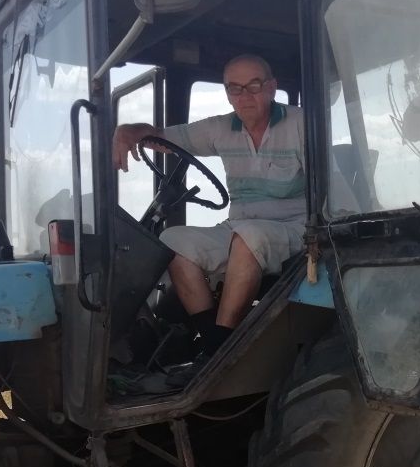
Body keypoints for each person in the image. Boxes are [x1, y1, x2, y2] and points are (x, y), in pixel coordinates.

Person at [113, 54, 306, 384]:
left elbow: (333, 187)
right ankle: (213, 343)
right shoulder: (220, 128)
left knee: (248, 238)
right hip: (241, 225)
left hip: (297, 226)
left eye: (254, 86)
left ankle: (220, 346)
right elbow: (160, 137)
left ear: (272, 88)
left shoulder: (302, 124)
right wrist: (127, 131)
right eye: (234, 88)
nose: (244, 96)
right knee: (173, 241)